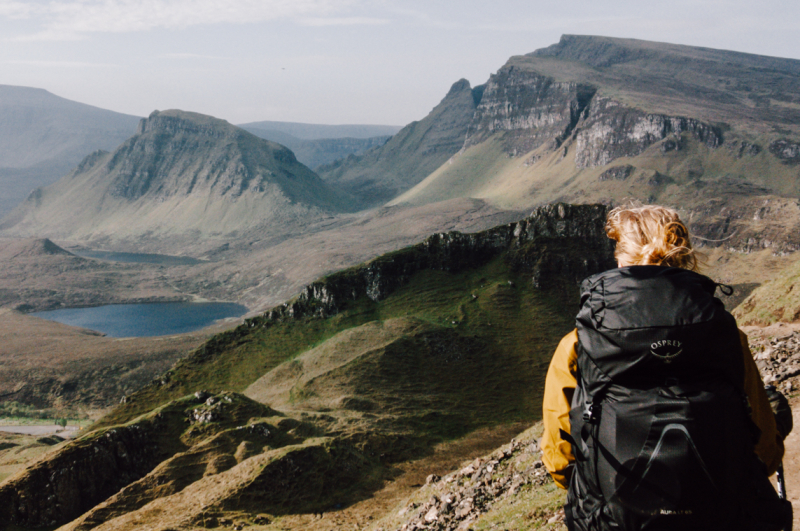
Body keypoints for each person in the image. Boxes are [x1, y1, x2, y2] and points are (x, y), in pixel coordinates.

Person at [541, 204, 792, 531]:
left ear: (620, 259)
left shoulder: (578, 344)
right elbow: (765, 454)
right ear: (683, 258)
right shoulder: (727, 337)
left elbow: (560, 460)